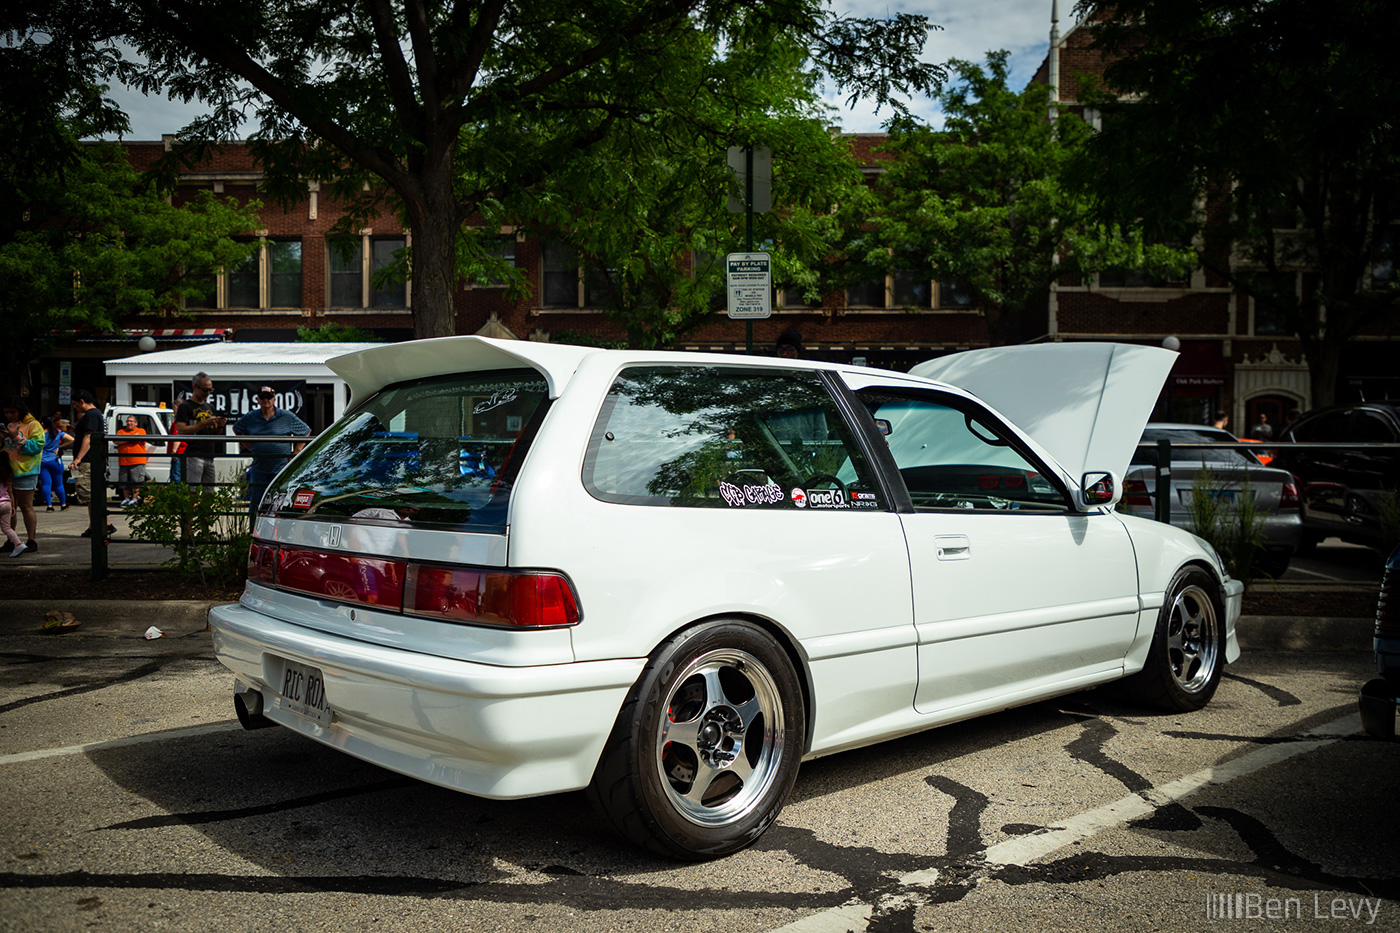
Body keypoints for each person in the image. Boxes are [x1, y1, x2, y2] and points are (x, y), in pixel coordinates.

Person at [233, 386, 310, 514]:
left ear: (274, 399)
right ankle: (253, 530)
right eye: (262, 397)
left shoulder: (286, 416)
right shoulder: (251, 417)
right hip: (259, 467)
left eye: (268, 397)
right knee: (256, 503)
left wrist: (296, 451)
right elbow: (237, 429)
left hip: (280, 467)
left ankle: (278, 532)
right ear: (257, 400)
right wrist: (249, 446)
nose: (266, 400)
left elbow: (305, 431)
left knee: (280, 503)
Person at [2, 397, 45, 555]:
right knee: (9, 508)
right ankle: (11, 539)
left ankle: (31, 539)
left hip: (26, 471)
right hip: (7, 471)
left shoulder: (33, 424)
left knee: (26, 506)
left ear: (20, 410)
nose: (10, 415)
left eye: (13, 412)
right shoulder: (5, 425)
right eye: (6, 412)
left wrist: (16, 437)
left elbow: (37, 446)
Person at [69, 390, 114, 539]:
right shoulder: (96, 415)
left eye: (75, 404)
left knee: (90, 495)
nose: (75, 408)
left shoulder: (91, 415)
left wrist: (78, 459)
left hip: (89, 460)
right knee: (92, 495)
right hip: (92, 459)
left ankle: (103, 524)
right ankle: (95, 525)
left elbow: (88, 438)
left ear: (81, 401)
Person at [174, 371, 227, 485]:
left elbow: (214, 433)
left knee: (209, 492)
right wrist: (203, 424)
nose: (207, 393)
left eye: (210, 390)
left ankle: (206, 504)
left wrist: (220, 426)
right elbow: (181, 430)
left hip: (209, 454)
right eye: (204, 390)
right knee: (192, 490)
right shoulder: (185, 406)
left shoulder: (209, 406)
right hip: (194, 453)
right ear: (194, 387)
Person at [39, 413, 73, 511]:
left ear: (42, 423)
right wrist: (59, 447)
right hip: (55, 460)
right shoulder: (58, 432)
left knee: (46, 484)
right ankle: (63, 504)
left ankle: (49, 506)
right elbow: (72, 439)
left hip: (42, 461)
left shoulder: (40, 434)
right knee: (59, 484)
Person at [115, 414, 149, 506]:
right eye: (128, 421)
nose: (129, 423)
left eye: (131, 421)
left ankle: (134, 499)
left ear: (136, 423)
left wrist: (125, 440)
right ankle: (126, 499)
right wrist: (131, 438)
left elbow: (138, 438)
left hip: (137, 461)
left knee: (136, 482)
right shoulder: (121, 431)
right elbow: (116, 441)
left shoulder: (141, 431)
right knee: (124, 482)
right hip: (123, 461)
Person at [0, 448, 27, 557]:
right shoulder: (8, 474)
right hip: (7, 503)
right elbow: (10, 491)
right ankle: (18, 544)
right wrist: (13, 505)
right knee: (6, 527)